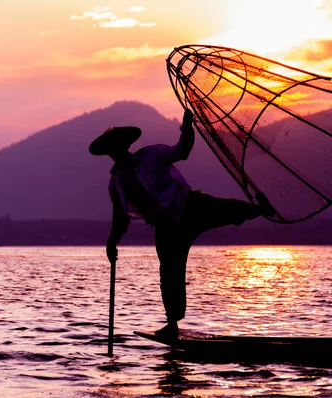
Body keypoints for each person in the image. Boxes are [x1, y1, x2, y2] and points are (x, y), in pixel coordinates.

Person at [88, 109, 274, 339]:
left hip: (187, 205)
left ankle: (259, 210)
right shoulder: (115, 183)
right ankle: (172, 323)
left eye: (119, 144)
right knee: (169, 273)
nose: (117, 150)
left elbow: (181, 151)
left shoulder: (149, 154)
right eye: (112, 148)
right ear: (109, 153)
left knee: (225, 209)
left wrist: (187, 127)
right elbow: (120, 218)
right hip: (166, 226)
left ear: (126, 144)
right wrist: (111, 243)